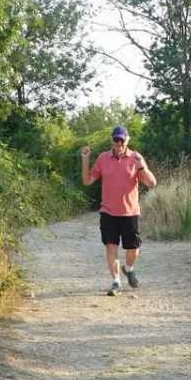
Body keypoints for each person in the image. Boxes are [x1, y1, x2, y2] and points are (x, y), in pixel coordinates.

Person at [81, 125, 157, 295]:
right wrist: (85, 159)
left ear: (127, 140)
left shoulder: (135, 157)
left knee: (133, 248)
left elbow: (152, 183)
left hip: (130, 212)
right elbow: (87, 181)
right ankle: (116, 282)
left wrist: (142, 166)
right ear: (112, 141)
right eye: (116, 139)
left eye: (122, 140)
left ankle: (128, 269)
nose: (119, 143)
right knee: (111, 247)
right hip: (108, 212)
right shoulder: (103, 158)